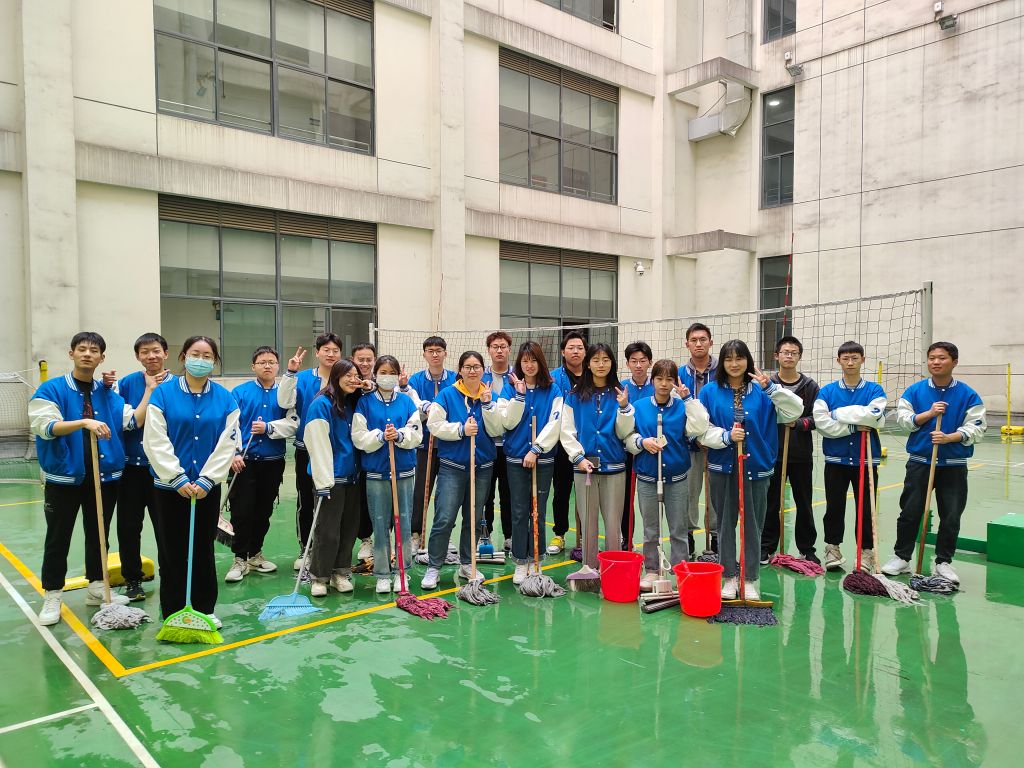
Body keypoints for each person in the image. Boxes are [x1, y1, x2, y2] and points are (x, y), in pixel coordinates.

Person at [30, 332, 151, 626]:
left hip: (104, 478)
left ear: (102, 358)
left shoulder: (107, 393)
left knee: (99, 536)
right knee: (58, 538)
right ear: (71, 353)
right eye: (82, 349)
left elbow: (133, 420)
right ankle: (53, 594)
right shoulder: (51, 389)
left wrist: (149, 389)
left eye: (93, 350)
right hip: (64, 479)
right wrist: (85, 422)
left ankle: (97, 586)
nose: (87, 354)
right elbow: (45, 426)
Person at [144, 336, 239, 628]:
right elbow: (155, 439)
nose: (201, 360)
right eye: (195, 354)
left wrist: (208, 479)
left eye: (208, 356)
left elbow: (227, 443)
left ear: (215, 361)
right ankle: (173, 610)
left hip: (206, 490)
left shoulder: (225, 399)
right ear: (184, 357)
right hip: (169, 489)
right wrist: (177, 477)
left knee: (202, 550)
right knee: (171, 550)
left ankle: (203, 608)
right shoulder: (163, 394)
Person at [699, 340, 803, 600]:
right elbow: (699, 429)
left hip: (756, 466)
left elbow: (795, 410)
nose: (734, 364)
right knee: (724, 524)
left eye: (740, 358)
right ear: (722, 362)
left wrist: (771, 388)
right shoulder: (710, 391)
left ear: (748, 361)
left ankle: (750, 578)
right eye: (728, 359)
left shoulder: (763, 390)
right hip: (722, 467)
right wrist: (725, 437)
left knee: (753, 525)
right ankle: (729, 577)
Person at [882, 342, 987, 583]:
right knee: (910, 511)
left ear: (954, 362)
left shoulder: (968, 394)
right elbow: (904, 420)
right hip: (920, 462)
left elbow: (977, 427)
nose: (936, 362)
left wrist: (951, 437)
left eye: (942, 358)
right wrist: (928, 414)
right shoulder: (914, 391)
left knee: (951, 515)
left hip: (953, 465)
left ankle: (943, 562)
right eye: (932, 358)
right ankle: (902, 557)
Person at [420, 351, 504, 589]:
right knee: (444, 517)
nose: (472, 371)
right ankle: (434, 567)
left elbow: (498, 429)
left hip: (483, 467)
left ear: (483, 370)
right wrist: (460, 430)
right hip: (452, 467)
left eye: (476, 366)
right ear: (460, 370)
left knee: (473, 518)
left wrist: (487, 405)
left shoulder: (492, 395)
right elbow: (434, 425)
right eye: (467, 366)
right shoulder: (447, 394)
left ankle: (467, 563)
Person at [624, 359, 709, 590]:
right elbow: (628, 437)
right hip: (647, 478)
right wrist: (642, 442)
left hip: (677, 478)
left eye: (669, 379)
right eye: (659, 379)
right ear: (652, 381)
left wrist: (688, 399)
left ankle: (681, 570)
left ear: (675, 382)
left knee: (678, 530)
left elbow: (699, 427)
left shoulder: (682, 407)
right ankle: (652, 570)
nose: (664, 384)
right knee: (650, 530)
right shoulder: (639, 406)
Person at [223, 346, 297, 583]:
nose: (267, 366)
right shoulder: (240, 393)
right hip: (243, 462)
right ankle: (239, 558)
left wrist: (269, 428)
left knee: (263, 512)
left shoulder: (286, 394)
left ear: (278, 366)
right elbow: (230, 426)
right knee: (242, 511)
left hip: (272, 462)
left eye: (272, 362)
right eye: (262, 362)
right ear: (253, 366)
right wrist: (234, 454)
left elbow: (293, 422)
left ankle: (255, 554)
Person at [559, 343, 636, 572]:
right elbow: (567, 430)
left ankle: (615, 570)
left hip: (615, 468)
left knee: (613, 525)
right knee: (588, 524)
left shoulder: (620, 393)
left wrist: (624, 408)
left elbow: (624, 433)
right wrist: (578, 457)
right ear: (588, 364)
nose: (601, 364)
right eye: (596, 360)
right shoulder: (574, 396)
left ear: (612, 363)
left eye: (606, 360)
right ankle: (589, 570)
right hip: (584, 469)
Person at [812, 341, 887, 572]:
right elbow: (822, 423)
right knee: (834, 507)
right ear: (839, 361)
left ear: (863, 360)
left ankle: (866, 552)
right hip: (836, 459)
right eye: (846, 358)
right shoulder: (827, 392)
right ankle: (832, 548)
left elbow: (874, 416)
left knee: (866, 508)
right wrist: (854, 426)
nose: (851, 362)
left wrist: (836, 414)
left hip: (866, 460)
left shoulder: (875, 390)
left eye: (855, 358)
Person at [352, 356, 422, 593]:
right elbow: (358, 436)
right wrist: (380, 436)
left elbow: (416, 432)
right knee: (380, 522)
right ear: (375, 374)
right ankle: (382, 573)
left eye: (392, 372)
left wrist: (400, 436)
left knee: (403, 521)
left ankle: (402, 571)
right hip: (376, 472)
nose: (387, 376)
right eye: (383, 372)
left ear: (398, 375)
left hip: (404, 471)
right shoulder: (364, 403)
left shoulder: (406, 401)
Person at [113, 332, 174, 601]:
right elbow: (125, 422)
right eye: (145, 352)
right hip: (131, 469)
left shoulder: (179, 385)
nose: (151, 356)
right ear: (138, 357)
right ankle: (132, 579)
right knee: (128, 527)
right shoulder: (126, 384)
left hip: (164, 470)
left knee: (167, 527)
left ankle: (170, 575)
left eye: (156, 350)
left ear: (165, 353)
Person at [499, 342, 563, 584]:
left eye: (533, 360)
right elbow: (507, 421)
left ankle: (536, 559)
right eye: (525, 361)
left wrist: (537, 449)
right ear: (519, 363)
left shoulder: (553, 390)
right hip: (515, 457)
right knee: (518, 511)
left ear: (540, 362)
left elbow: (555, 423)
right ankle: (520, 561)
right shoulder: (509, 390)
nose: (529, 365)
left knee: (538, 510)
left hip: (543, 458)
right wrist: (519, 395)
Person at [278, 333, 343, 569]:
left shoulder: (344, 378)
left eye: (335, 350)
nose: (331, 354)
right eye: (326, 350)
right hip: (306, 449)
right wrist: (290, 373)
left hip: (337, 451)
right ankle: (306, 547)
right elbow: (285, 402)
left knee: (335, 502)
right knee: (306, 500)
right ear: (317, 352)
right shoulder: (303, 378)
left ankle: (333, 552)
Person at [304, 359, 365, 596]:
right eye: (347, 375)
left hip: (352, 478)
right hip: (330, 480)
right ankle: (319, 576)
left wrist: (366, 385)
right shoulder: (321, 404)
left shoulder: (352, 402)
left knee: (348, 529)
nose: (352, 379)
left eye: (356, 375)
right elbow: (317, 444)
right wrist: (322, 482)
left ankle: (340, 573)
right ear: (336, 376)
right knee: (327, 532)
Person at [760, 336, 821, 565]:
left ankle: (807, 548)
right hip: (773, 455)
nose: (789, 356)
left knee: (804, 503)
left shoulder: (810, 386)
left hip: (801, 455)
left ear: (799, 357)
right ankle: (767, 547)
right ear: (776, 356)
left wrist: (798, 423)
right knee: (771, 504)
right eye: (785, 352)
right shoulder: (768, 385)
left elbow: (818, 418)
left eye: (794, 353)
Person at [408, 336, 456, 551]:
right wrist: (426, 408)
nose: (435, 354)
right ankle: (415, 534)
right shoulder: (416, 380)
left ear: (445, 353)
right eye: (430, 351)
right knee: (420, 492)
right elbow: (413, 408)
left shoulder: (455, 379)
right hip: (423, 445)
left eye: (438, 350)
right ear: (424, 354)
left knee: (446, 493)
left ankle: (444, 535)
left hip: (448, 446)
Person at [679, 322, 718, 556]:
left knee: (716, 495)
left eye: (703, 339)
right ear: (687, 344)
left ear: (711, 342)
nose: (699, 344)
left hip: (717, 445)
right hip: (689, 446)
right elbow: (677, 410)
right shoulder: (679, 374)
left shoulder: (722, 371)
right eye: (694, 340)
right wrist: (694, 437)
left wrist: (713, 437)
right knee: (688, 494)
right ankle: (689, 535)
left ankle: (715, 537)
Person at [546, 331, 586, 555]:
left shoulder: (593, 374)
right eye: (571, 347)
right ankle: (559, 533)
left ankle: (587, 534)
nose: (575, 351)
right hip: (561, 444)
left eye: (580, 347)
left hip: (588, 442)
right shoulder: (553, 378)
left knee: (588, 492)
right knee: (561, 491)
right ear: (563, 352)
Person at [620, 341, 654, 550]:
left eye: (643, 360)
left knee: (651, 500)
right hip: (626, 451)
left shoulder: (657, 385)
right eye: (634, 361)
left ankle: (654, 543)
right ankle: (627, 540)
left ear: (650, 362)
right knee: (625, 500)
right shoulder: (621, 386)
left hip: (652, 451)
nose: (639, 365)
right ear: (628, 363)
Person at [482, 331, 514, 552]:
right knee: (486, 495)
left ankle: (509, 536)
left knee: (508, 493)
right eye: (495, 347)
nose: (499, 350)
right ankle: (485, 535)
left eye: (503, 346)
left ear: (509, 349)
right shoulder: (481, 376)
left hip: (511, 446)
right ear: (489, 350)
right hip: (487, 445)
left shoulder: (517, 377)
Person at [349, 342, 378, 561]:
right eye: (361, 359)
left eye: (369, 359)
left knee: (379, 497)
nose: (365, 363)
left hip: (378, 449)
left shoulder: (381, 384)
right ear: (353, 360)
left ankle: (382, 540)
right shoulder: (348, 385)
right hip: (352, 450)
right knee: (358, 496)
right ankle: (363, 539)